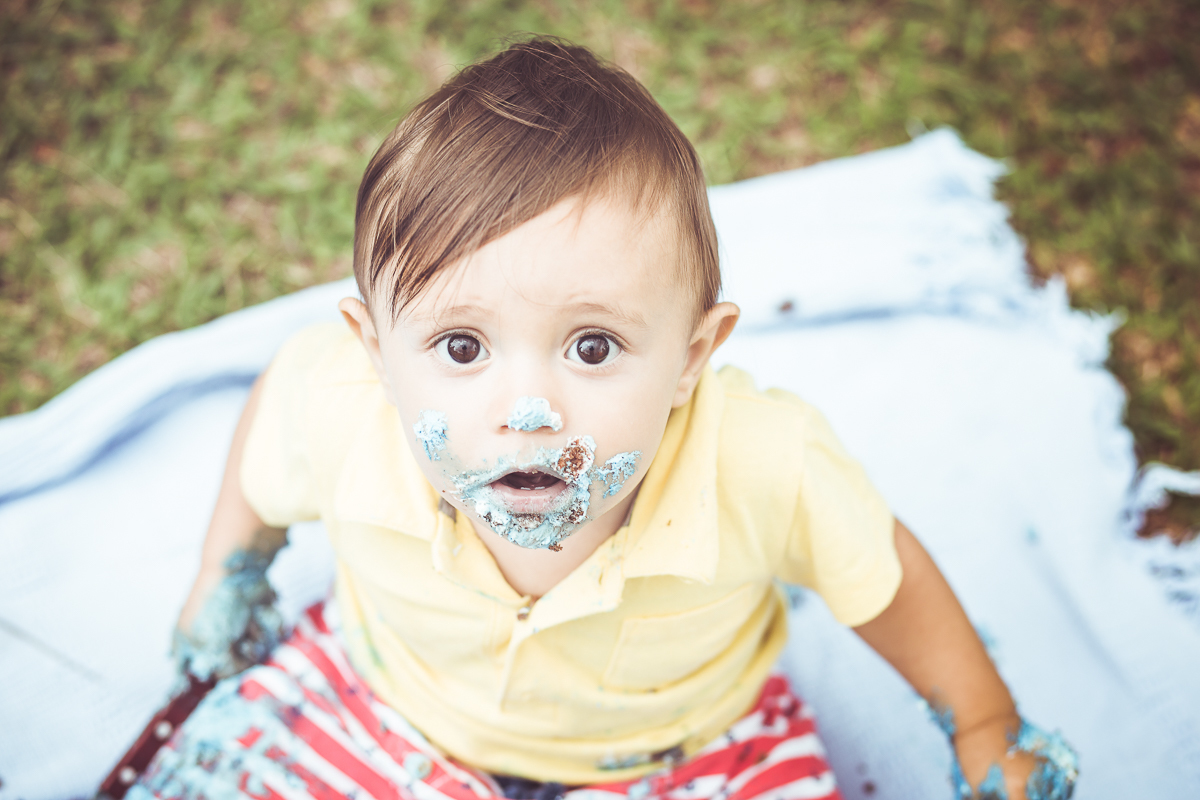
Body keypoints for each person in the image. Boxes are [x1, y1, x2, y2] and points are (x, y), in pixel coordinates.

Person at [131, 37, 1076, 800]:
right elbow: (266, 445)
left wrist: (984, 719)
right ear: (373, 350)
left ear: (692, 358)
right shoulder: (337, 406)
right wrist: (229, 571)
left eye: (592, 347)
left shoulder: (762, 461)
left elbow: (888, 577)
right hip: (389, 707)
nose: (528, 411)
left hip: (683, 755)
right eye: (461, 348)